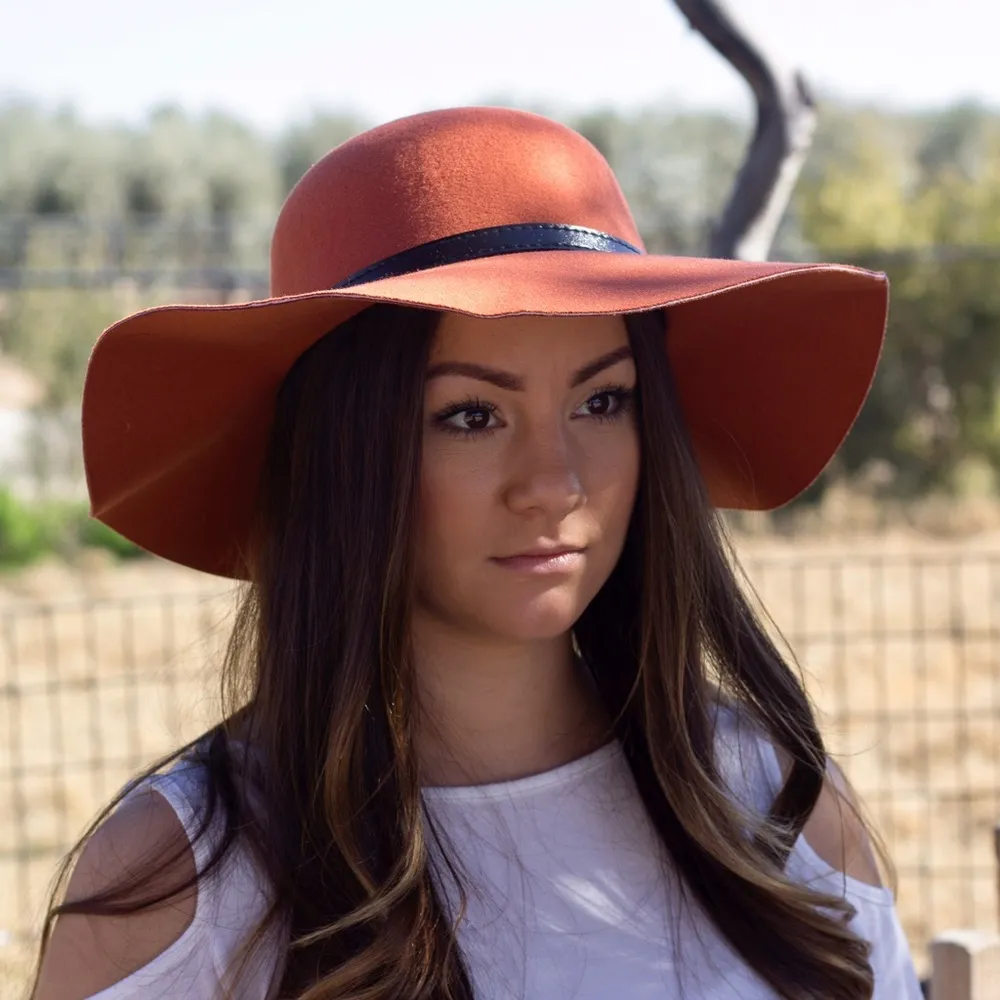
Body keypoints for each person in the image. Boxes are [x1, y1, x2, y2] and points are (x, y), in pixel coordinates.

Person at [31, 106, 921, 1000]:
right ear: (341, 455)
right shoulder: (180, 887)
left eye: (602, 402)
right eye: (471, 415)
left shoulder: (775, 805)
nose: (554, 482)